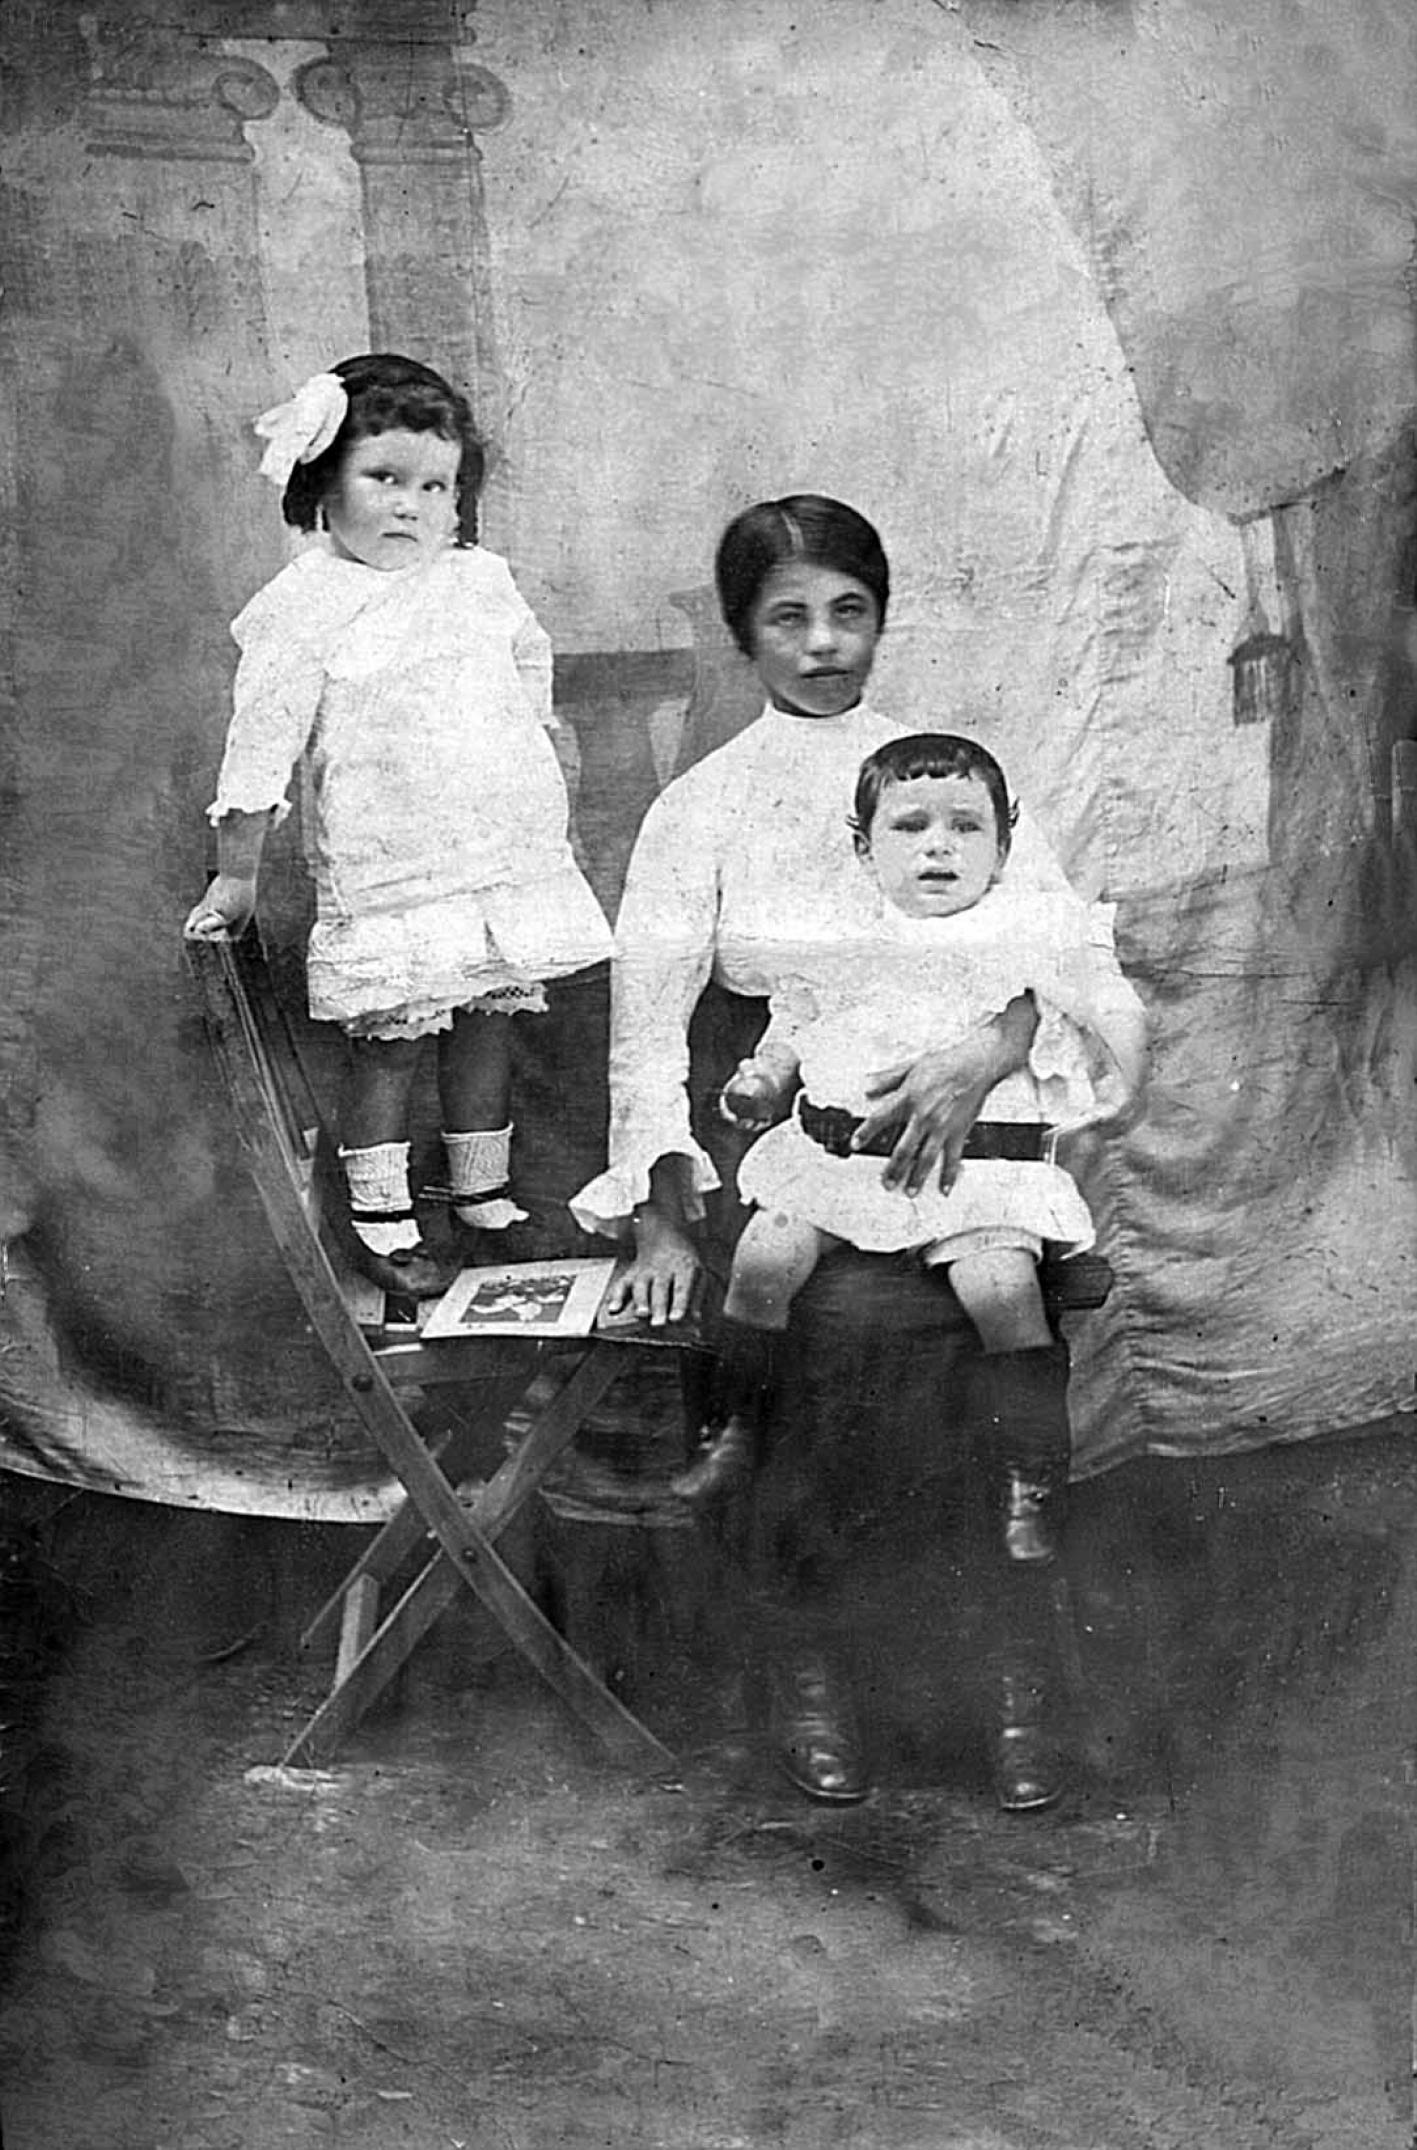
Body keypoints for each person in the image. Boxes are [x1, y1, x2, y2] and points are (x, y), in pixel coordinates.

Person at [570, 495, 1097, 1810]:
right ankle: (818, 1673)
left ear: (880, 619)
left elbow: (1056, 956)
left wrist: (980, 1055)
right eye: (787, 617)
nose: (821, 643)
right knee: (824, 1338)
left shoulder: (944, 774)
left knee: (989, 1314)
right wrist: (658, 1212)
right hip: (795, 1143)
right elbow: (647, 1025)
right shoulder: (702, 806)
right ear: (742, 633)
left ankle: (1011, 1681)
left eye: (848, 612)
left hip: (973, 1150)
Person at [673, 731, 1148, 1590]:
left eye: (966, 827)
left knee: (1000, 1289)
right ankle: (736, 1426)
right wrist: (764, 1076)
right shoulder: (837, 931)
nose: (938, 847)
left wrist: (1116, 1066)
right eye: (909, 827)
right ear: (863, 848)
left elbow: (1094, 1011)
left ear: (1004, 846)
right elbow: (794, 1019)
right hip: (839, 1168)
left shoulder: (1020, 934)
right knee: (763, 1258)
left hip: (974, 1176)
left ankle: (1031, 1469)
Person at [185, 354, 613, 1294]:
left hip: (499, 857)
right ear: (321, 482)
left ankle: (481, 1197)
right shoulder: (306, 604)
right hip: (392, 872)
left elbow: (530, 691)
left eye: (435, 487)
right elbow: (260, 742)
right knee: (392, 1042)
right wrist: (238, 871)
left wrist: (547, 812)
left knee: (488, 1024)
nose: (410, 507)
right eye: (383, 478)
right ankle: (379, 1215)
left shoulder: (480, 581)